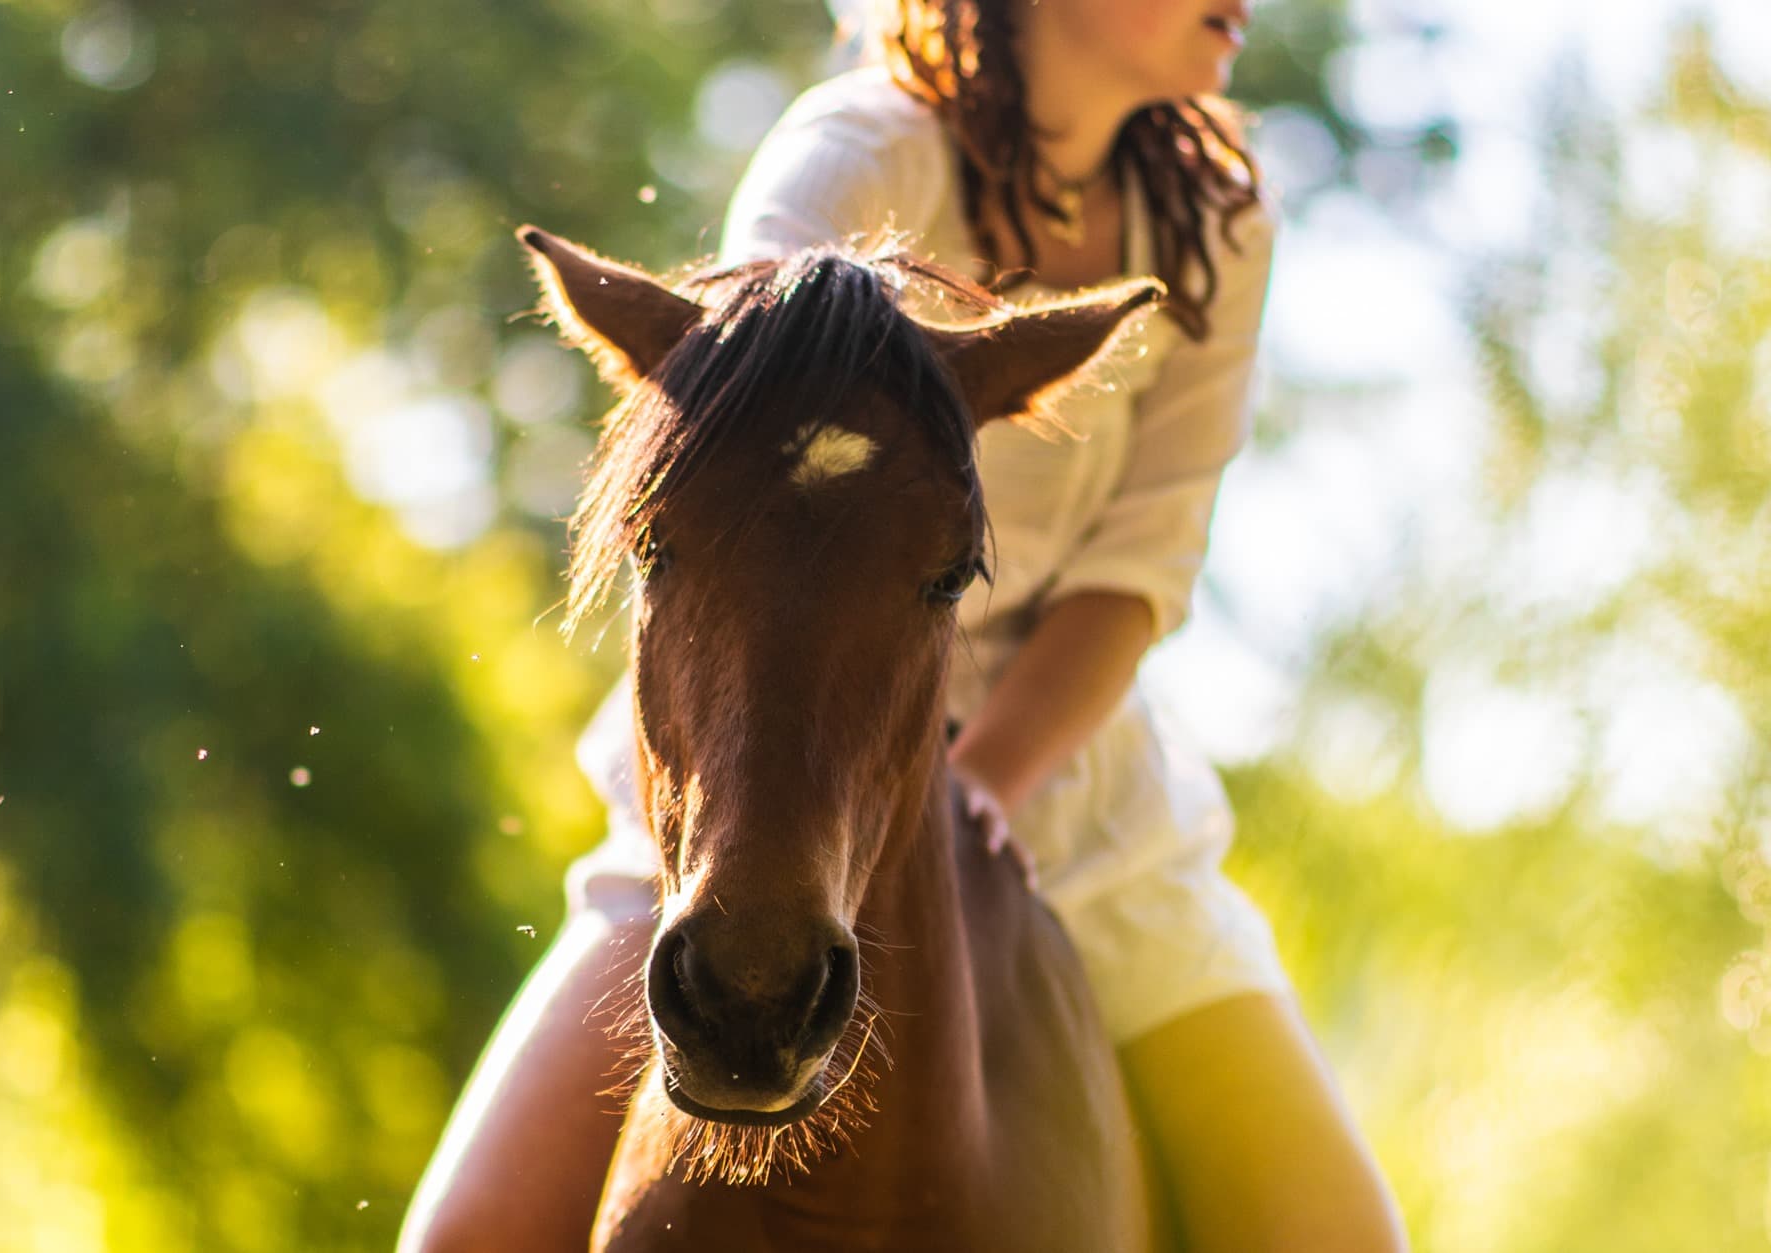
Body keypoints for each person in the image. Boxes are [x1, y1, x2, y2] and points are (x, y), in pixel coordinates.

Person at [401, 1, 1408, 1249]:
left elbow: (1140, 566)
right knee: (465, 1236)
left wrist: (980, 783)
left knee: (1339, 1234)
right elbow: (748, 422)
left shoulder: (1220, 227)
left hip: (1066, 790)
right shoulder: (854, 147)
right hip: (762, 761)